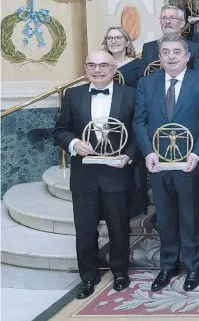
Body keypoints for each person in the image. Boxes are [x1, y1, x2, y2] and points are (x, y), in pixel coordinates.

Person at [134, 34, 199, 292]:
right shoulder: (146, 84)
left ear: (187, 56)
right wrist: (148, 152)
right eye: (166, 52)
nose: (171, 57)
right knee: (166, 217)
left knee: (190, 217)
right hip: (158, 164)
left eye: (176, 52)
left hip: (189, 164)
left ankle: (193, 267)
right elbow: (139, 121)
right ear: (159, 57)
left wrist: (197, 154)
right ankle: (168, 265)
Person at [54, 51, 137, 299]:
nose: (98, 70)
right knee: (85, 230)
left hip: (116, 173)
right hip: (84, 175)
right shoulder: (73, 94)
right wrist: (73, 143)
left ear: (114, 68)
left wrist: (129, 156)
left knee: (119, 226)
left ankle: (121, 273)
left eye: (103, 65)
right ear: (85, 68)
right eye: (92, 65)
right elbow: (60, 131)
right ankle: (88, 277)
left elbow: (138, 132)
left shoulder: (130, 95)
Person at [102, 27, 146, 218]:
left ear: (127, 41)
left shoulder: (138, 64)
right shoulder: (101, 64)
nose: (114, 41)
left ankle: (134, 206)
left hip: (130, 117)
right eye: (110, 38)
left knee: (131, 160)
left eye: (118, 37)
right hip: (107, 118)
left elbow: (142, 91)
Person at [140, 5, 199, 77]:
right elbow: (141, 79)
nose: (167, 21)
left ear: (182, 23)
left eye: (172, 18)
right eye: (164, 18)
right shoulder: (148, 48)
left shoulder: (195, 49)